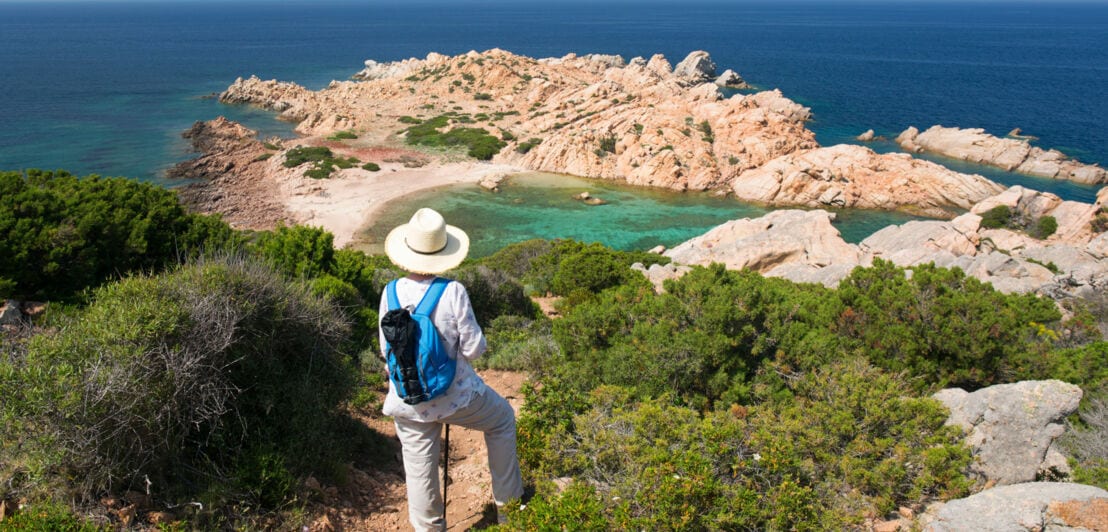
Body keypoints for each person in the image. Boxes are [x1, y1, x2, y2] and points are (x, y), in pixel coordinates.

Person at [379, 207, 523, 531]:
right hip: (456, 397)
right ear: (443, 252)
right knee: (501, 420)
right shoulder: (453, 290)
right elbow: (474, 348)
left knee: (419, 468)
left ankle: (430, 527)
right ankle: (510, 512)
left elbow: (385, 351)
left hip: (408, 398)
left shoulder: (388, 292)